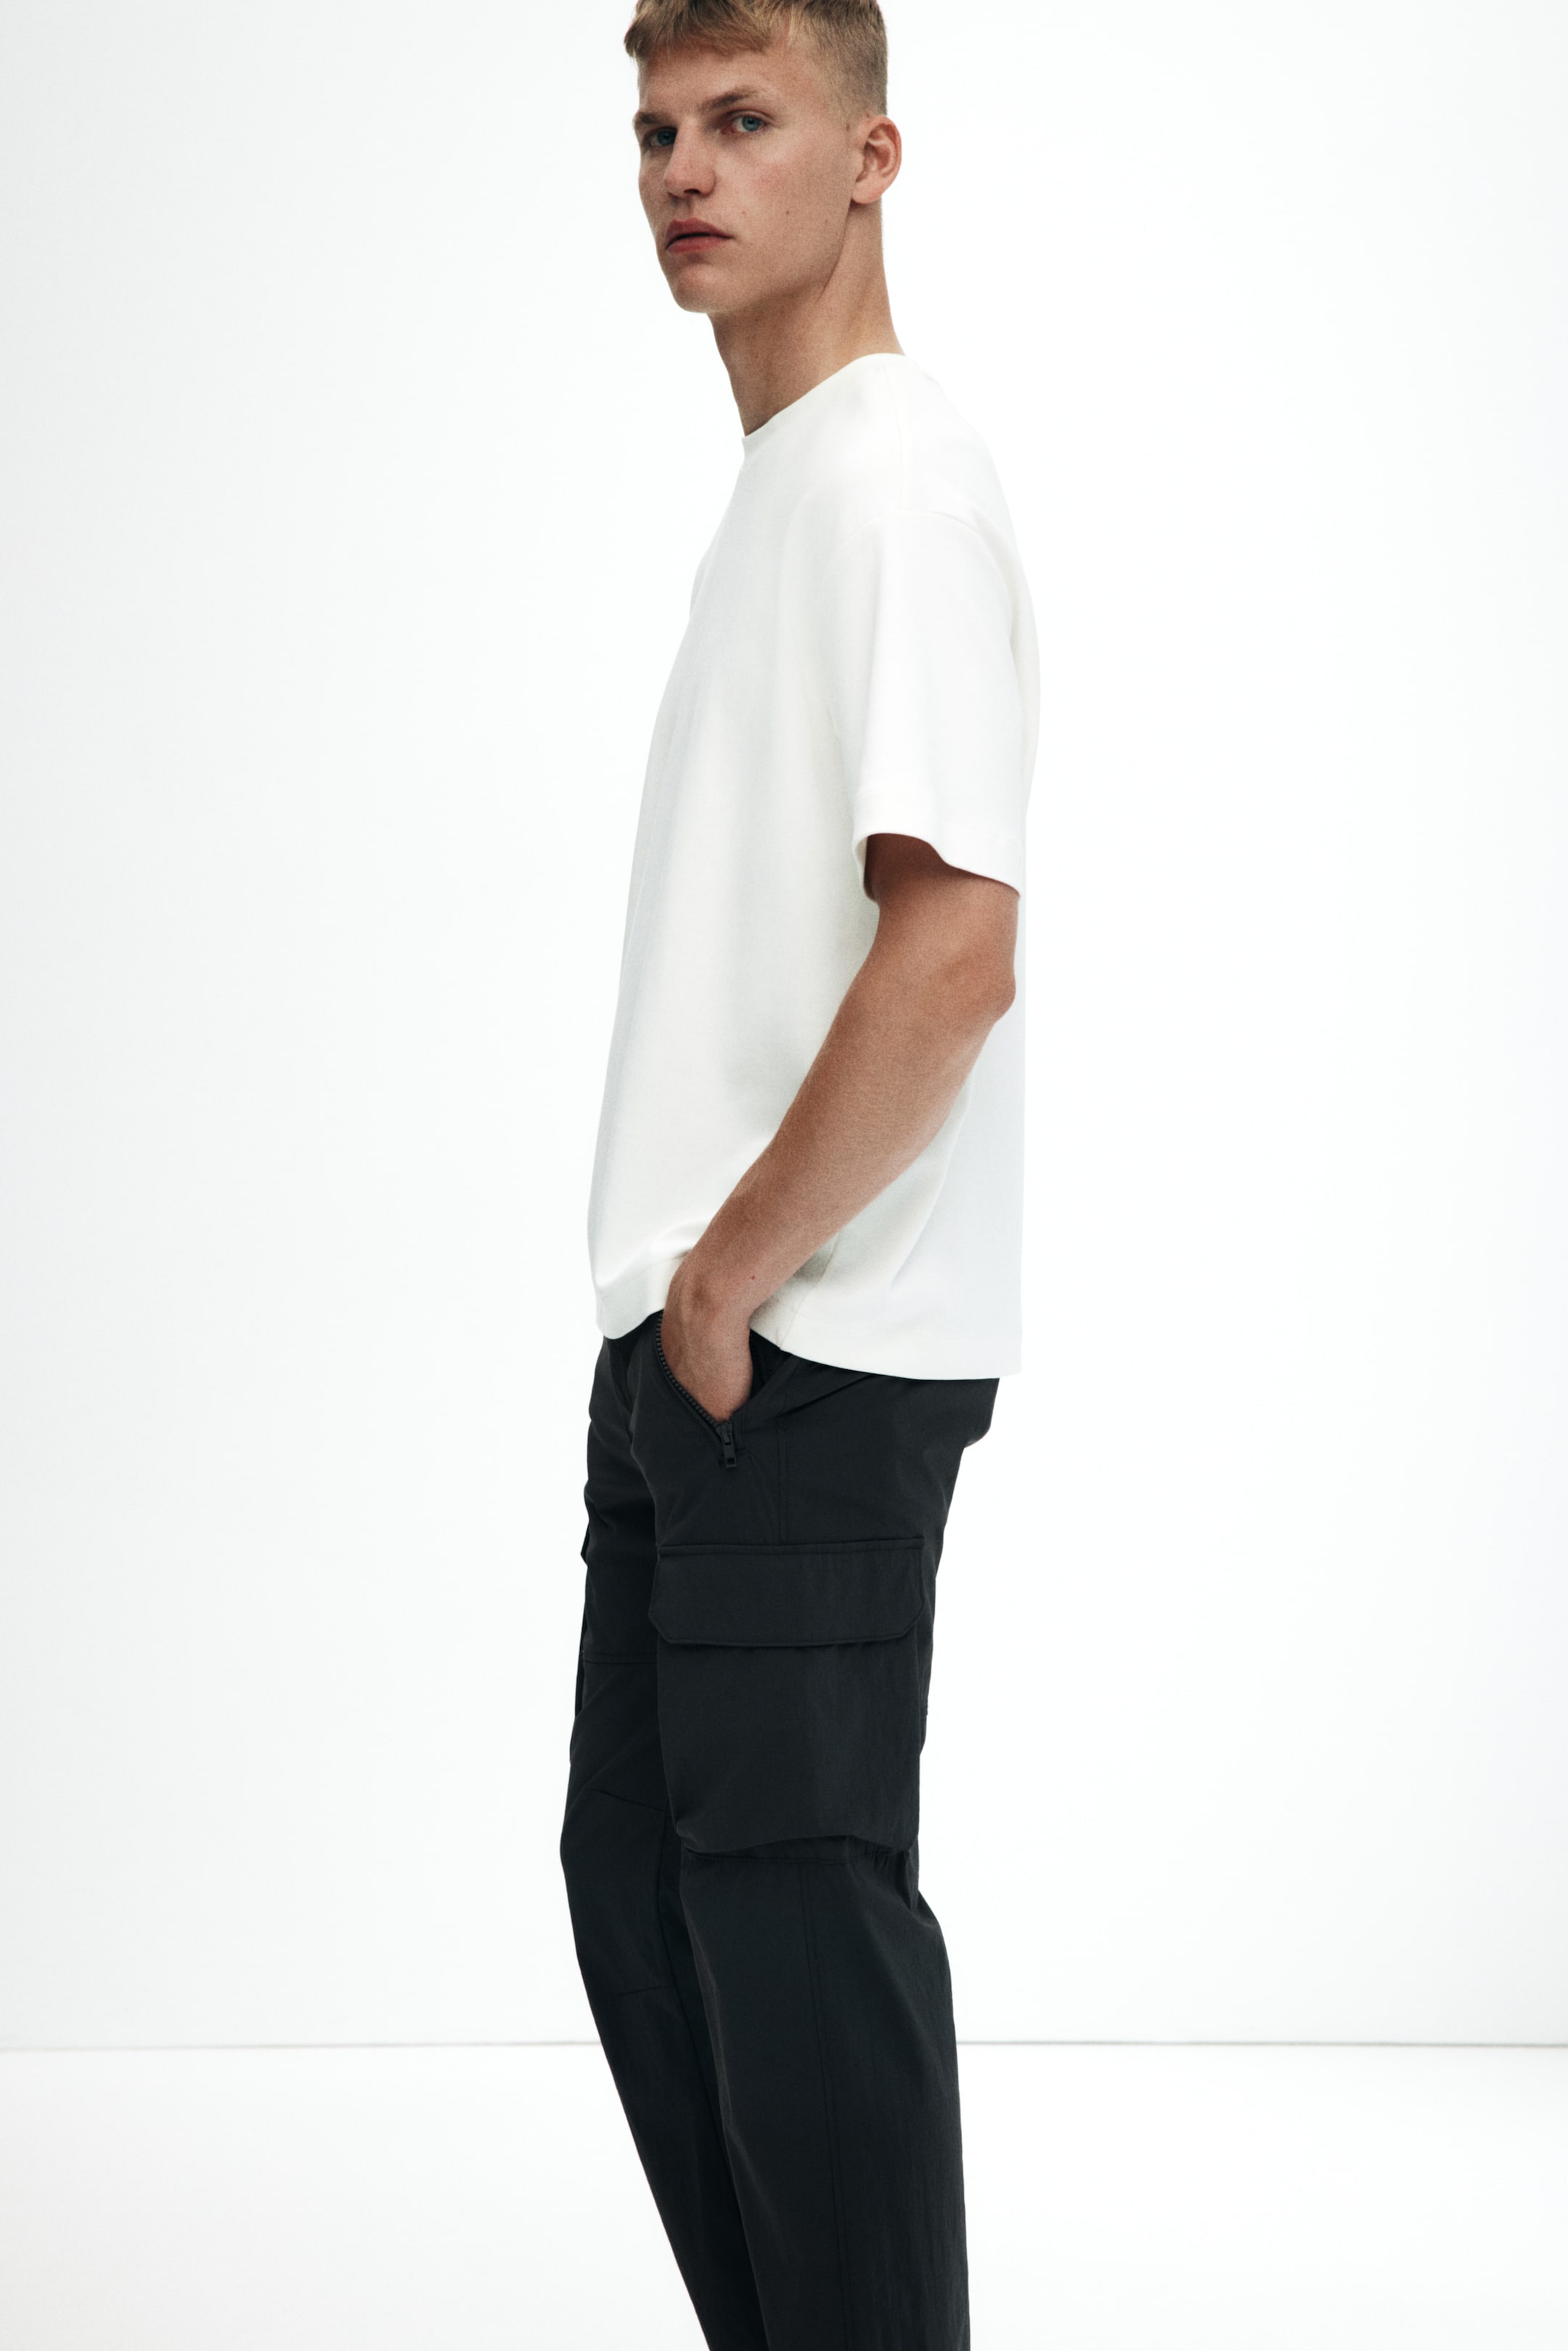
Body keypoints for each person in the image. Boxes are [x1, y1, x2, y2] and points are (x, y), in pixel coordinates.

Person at [559, 3, 1037, 2343]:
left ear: (871, 155)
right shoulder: (785, 493)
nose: (684, 166)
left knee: (791, 1919)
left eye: (744, 120)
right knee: (650, 1900)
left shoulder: (891, 487)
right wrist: (684, 1309)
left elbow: (954, 954)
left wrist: (734, 1278)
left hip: (804, 1347)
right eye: (658, 126)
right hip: (707, 1343)